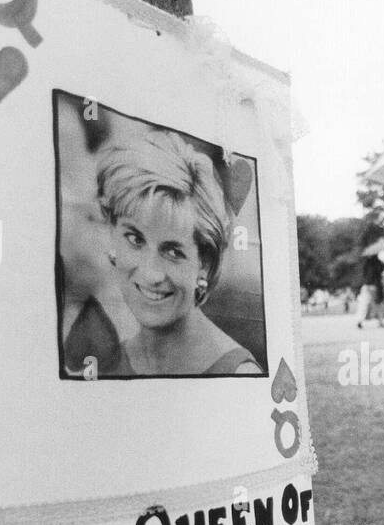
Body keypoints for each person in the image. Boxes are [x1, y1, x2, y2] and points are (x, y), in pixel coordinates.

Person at [96, 130, 261, 376]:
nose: (151, 274)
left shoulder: (238, 374)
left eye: (173, 251)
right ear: (112, 232)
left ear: (204, 262)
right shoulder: (108, 363)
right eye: (135, 239)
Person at [355, 246, 384, 329]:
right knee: (378, 303)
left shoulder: (366, 263)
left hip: (366, 285)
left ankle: (359, 320)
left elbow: (364, 274)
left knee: (363, 304)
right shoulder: (380, 263)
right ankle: (380, 321)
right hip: (375, 285)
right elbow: (382, 273)